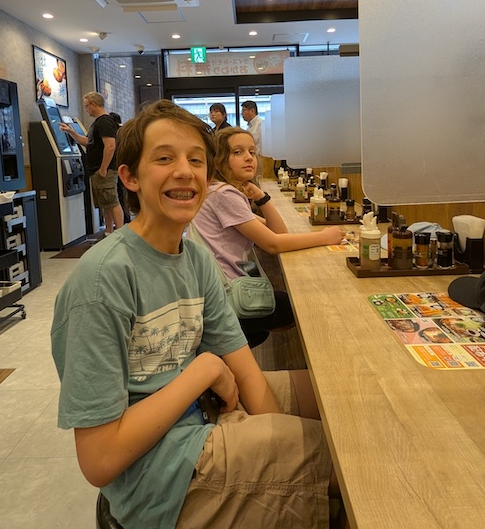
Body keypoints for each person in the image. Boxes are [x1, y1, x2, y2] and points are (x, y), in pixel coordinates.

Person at [51, 101, 336, 528]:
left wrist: (267, 431)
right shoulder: (103, 280)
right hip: (164, 473)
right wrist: (204, 370)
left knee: (340, 395)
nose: (185, 171)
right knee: (344, 451)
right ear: (130, 177)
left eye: (196, 160)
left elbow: (245, 369)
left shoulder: (196, 260)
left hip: (206, 410)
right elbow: (100, 459)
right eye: (164, 158)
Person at [190, 127, 344, 347]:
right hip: (227, 297)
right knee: (299, 306)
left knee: (283, 308)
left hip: (218, 292)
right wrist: (325, 236)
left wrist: (261, 197)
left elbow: (278, 233)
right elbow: (273, 244)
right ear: (219, 160)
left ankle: (237, 349)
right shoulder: (224, 194)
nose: (248, 158)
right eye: (237, 152)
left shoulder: (219, 190)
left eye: (252, 152)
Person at [61, 92, 124, 235]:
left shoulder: (104, 122)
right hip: (98, 169)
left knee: (112, 201)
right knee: (106, 203)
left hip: (104, 170)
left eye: (87, 106)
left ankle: (120, 234)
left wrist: (103, 168)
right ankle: (109, 232)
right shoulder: (98, 123)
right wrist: (71, 132)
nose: (86, 110)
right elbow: (88, 142)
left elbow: (110, 146)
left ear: (94, 104)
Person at [109, 112, 131, 224]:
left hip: (117, 166)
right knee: (124, 195)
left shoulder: (115, 133)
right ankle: (126, 219)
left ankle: (122, 222)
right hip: (126, 165)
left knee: (118, 196)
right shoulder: (125, 131)